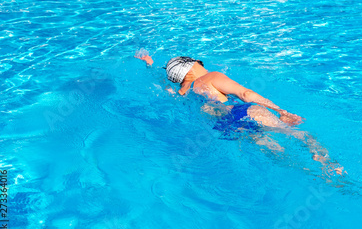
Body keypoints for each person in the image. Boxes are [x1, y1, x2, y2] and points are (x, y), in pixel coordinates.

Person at [135, 50, 343, 176]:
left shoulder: (181, 93)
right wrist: (281, 111)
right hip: (245, 111)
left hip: (227, 126)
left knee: (278, 153)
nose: (203, 65)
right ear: (191, 68)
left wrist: (150, 66)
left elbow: (165, 84)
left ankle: (305, 172)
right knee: (300, 135)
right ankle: (327, 164)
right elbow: (245, 93)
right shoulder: (210, 78)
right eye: (199, 63)